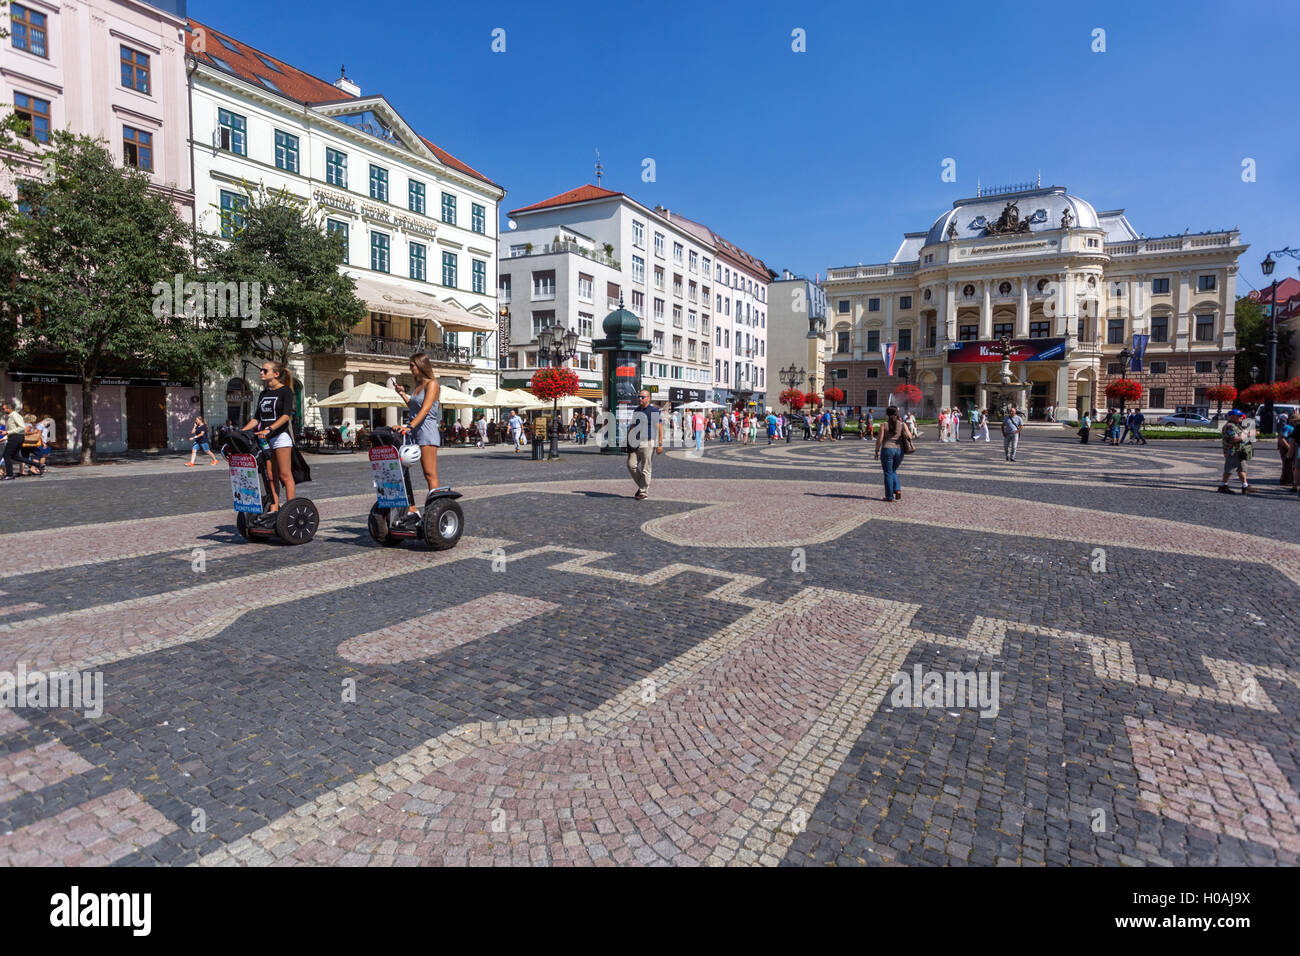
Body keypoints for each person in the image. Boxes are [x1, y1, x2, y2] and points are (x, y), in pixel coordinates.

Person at [391, 353, 442, 525]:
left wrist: (409, 426)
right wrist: (403, 394)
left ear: (421, 365)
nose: (410, 368)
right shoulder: (418, 387)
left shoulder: (432, 384)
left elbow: (426, 409)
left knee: (429, 473)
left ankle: (435, 511)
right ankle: (412, 508)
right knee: (403, 471)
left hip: (426, 432)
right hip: (414, 431)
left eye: (412, 365)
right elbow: (414, 407)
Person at [242, 362, 297, 511]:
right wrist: (242, 432)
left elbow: (286, 416)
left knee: (285, 475)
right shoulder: (263, 393)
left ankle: (290, 509)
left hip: (280, 437)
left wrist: (269, 429)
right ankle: (274, 507)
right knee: (271, 476)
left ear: (276, 374)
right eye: (261, 370)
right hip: (265, 439)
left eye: (265, 370)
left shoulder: (285, 391)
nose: (261, 372)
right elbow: (256, 419)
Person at [627, 388, 663, 500]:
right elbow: (632, 425)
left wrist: (660, 444)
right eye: (639, 397)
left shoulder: (654, 411)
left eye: (642, 397)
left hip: (648, 441)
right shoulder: (636, 410)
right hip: (635, 442)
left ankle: (643, 492)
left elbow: (659, 428)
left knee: (645, 468)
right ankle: (642, 485)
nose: (640, 399)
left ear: (648, 398)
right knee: (631, 465)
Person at [874, 404, 914, 502]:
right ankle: (897, 490)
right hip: (899, 450)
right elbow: (910, 436)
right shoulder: (902, 424)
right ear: (897, 413)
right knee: (892, 470)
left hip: (887, 449)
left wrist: (876, 451)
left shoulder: (884, 425)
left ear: (887, 414)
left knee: (888, 472)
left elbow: (879, 439)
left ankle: (889, 496)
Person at [1218, 409, 1255, 494]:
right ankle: (1223, 485)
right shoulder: (1230, 426)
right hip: (1232, 451)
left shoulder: (1236, 425)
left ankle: (1245, 486)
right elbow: (1235, 438)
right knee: (1229, 469)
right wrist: (1248, 435)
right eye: (1239, 416)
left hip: (1239, 451)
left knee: (1242, 468)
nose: (1241, 417)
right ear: (1233, 417)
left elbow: (1241, 435)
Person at [2, 399, 33, 481]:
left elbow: (22, 427)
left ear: (9, 409)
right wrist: (5, 434)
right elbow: (13, 429)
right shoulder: (11, 416)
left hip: (16, 437)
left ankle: (10, 475)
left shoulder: (15, 415)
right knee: (15, 456)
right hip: (15, 437)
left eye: (4, 408)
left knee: (6, 456)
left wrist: (8, 432)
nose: (3, 410)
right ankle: (37, 465)